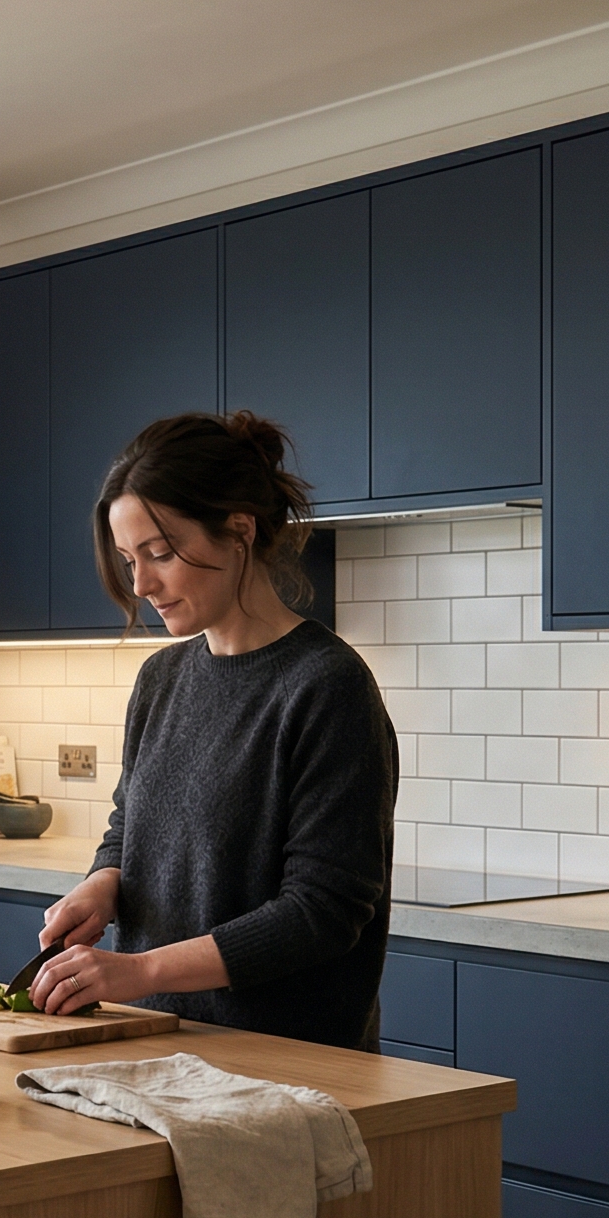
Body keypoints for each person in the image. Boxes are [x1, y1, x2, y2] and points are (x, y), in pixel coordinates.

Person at [30, 409, 398, 1050]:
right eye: (128, 560)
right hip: (157, 1043)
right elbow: (130, 830)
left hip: (286, 1065)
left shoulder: (326, 686)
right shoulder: (160, 680)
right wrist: (103, 883)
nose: (141, 584)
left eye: (160, 554)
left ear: (238, 532)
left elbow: (323, 912)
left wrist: (139, 970)